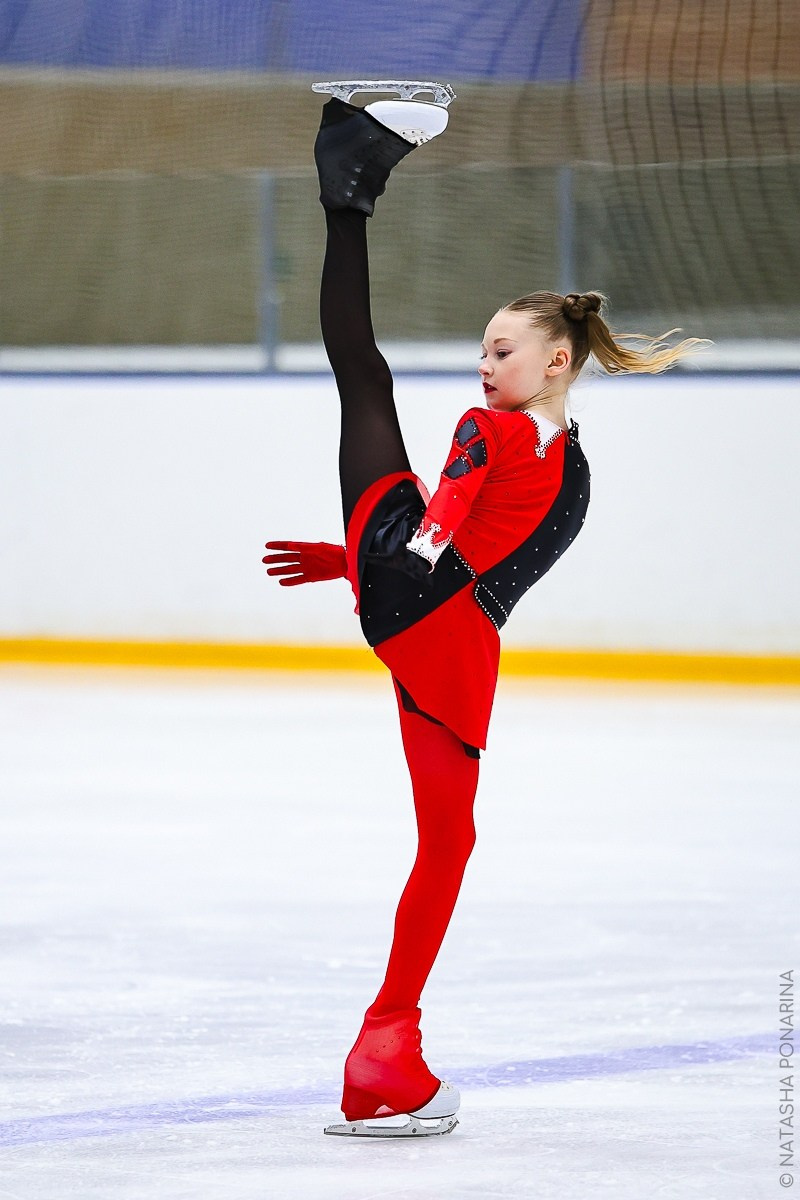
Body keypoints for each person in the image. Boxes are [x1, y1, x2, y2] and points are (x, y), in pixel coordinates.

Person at [263, 92, 702, 1138]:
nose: (482, 363)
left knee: (359, 377)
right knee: (446, 845)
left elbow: (484, 524)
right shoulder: (504, 433)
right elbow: (461, 484)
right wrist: (413, 553)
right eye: (482, 347)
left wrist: (365, 563)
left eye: (499, 350)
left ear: (556, 360)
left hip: (403, 577)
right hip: (431, 609)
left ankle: (349, 184)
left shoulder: (548, 454)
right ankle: (385, 1051)